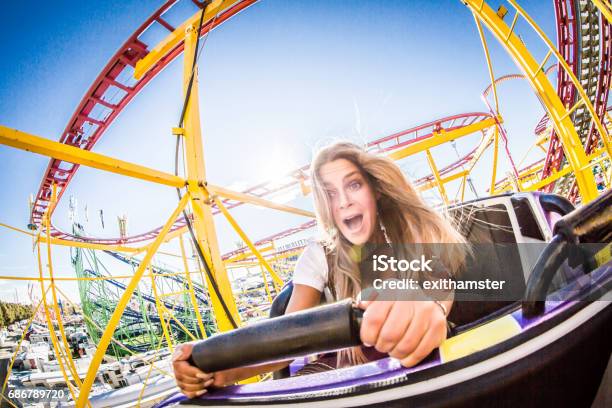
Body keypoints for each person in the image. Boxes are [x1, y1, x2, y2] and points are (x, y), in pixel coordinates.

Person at [172, 141, 467, 398]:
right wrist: (218, 370)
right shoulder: (318, 256)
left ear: (374, 190)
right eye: (330, 193)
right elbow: (288, 338)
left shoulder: (407, 233)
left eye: (353, 184)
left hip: (422, 364)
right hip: (352, 372)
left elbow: (438, 286)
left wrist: (429, 311)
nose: (344, 201)